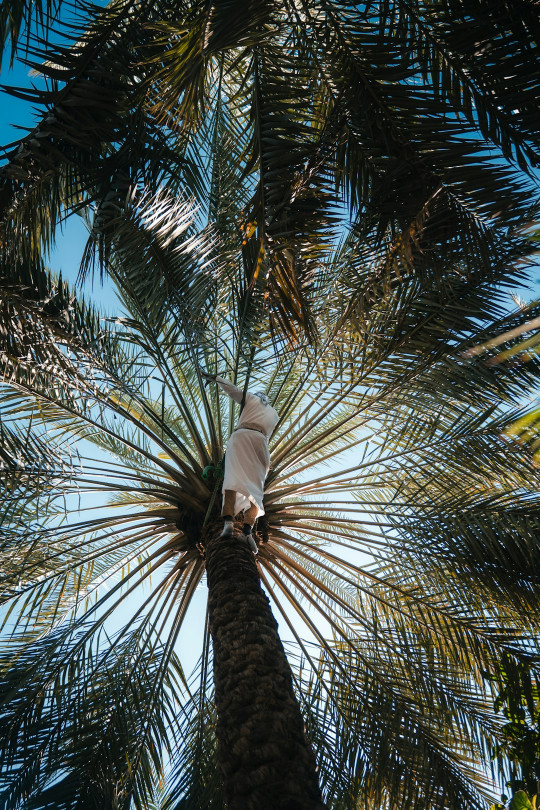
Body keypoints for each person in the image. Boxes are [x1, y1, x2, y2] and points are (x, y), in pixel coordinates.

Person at [200, 372, 279, 553]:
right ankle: (247, 530)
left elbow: (233, 390)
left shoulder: (251, 399)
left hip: (241, 437)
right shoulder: (274, 414)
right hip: (261, 444)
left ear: (258, 397)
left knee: (232, 480)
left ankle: (228, 522)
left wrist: (216, 379)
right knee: (257, 490)